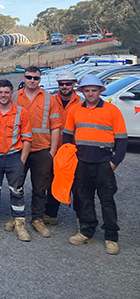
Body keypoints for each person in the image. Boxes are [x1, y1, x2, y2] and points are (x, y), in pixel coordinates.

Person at [63, 74, 128, 255]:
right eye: (87, 90)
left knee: (107, 201)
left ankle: (111, 237)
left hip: (103, 164)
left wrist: (114, 163)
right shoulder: (75, 110)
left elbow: (122, 140)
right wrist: (70, 159)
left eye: (94, 90)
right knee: (84, 200)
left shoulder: (112, 110)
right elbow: (67, 137)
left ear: (100, 91)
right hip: (82, 163)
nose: (90, 93)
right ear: (82, 91)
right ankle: (86, 231)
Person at [0, 79, 32, 241]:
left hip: (14, 157)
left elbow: (27, 138)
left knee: (17, 191)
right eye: (0, 92)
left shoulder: (21, 113)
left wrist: (22, 160)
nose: (3, 95)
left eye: (6, 92)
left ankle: (19, 222)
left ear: (12, 93)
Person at [16, 66, 62, 238]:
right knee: (16, 185)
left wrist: (52, 151)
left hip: (42, 150)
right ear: (24, 77)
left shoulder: (49, 99)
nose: (32, 81)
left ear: (39, 79)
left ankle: (37, 218)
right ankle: (17, 217)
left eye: (35, 78)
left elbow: (56, 127)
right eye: (29, 77)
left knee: (40, 187)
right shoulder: (15, 97)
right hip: (20, 149)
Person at [45, 70, 83, 225]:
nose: (65, 86)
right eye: (62, 84)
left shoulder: (81, 102)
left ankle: (82, 219)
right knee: (53, 182)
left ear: (74, 84)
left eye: (68, 84)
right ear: (58, 85)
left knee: (78, 186)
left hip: (75, 152)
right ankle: (50, 214)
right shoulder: (52, 102)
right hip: (56, 149)